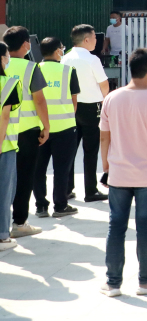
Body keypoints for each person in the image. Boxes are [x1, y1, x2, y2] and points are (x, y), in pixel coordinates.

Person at [99, 48, 147, 297]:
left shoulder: (112, 98)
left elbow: (104, 137)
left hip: (119, 173)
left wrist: (107, 166)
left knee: (116, 226)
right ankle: (145, 280)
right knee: (145, 226)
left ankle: (112, 283)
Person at [4, 28, 49, 240]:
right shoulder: (31, 67)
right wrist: (46, 126)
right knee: (24, 178)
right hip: (26, 131)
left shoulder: (3, 65)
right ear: (25, 44)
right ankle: (19, 222)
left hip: (4, 131)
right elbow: (39, 100)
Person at [62, 24, 110, 206]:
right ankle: (90, 190)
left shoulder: (65, 58)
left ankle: (67, 188)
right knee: (91, 151)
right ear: (86, 40)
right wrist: (107, 103)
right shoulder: (92, 59)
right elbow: (104, 84)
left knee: (70, 150)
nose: (96, 42)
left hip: (70, 107)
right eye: (95, 38)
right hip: (91, 108)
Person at [33, 37, 81, 219]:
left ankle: (41, 207)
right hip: (65, 128)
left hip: (38, 128)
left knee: (39, 169)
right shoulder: (68, 71)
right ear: (57, 51)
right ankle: (60, 205)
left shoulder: (34, 69)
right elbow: (74, 103)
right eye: (62, 48)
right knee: (62, 169)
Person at [1, 45, 23, 251]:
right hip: (4, 145)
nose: (9, 59)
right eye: (6, 55)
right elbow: (5, 117)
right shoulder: (9, 84)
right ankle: (2, 236)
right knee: (4, 191)